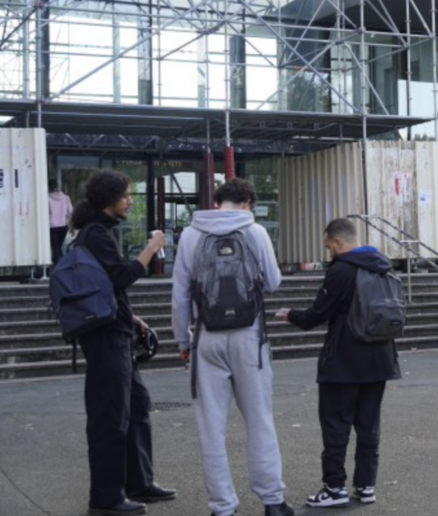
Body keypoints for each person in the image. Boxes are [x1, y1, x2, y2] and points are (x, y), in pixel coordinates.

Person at [171, 178, 294, 516]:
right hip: (249, 338)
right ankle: (273, 501)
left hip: (207, 338)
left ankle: (223, 506)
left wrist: (183, 341)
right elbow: (272, 281)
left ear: (218, 200)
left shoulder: (192, 234)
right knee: (260, 420)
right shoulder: (255, 231)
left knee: (211, 427)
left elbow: (180, 294)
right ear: (247, 203)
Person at [69, 170, 176, 516]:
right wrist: (151, 249)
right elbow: (123, 277)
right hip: (105, 339)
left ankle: (138, 482)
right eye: (127, 195)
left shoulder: (96, 234)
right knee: (109, 417)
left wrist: (132, 318)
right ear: (110, 199)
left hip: (116, 331)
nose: (131, 201)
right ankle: (106, 498)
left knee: (138, 406)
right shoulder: (96, 234)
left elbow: (105, 288)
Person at [276, 218, 401, 508]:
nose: (329, 252)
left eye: (330, 247)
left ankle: (334, 488)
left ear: (340, 243)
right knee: (369, 426)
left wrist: (289, 314)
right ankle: (366, 485)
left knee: (336, 426)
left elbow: (316, 315)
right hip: (381, 358)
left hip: (344, 361)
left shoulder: (342, 270)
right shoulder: (383, 265)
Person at [48, 179, 73, 265]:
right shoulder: (66, 198)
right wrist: (70, 224)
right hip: (63, 225)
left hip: (52, 226)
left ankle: (58, 265)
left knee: (55, 247)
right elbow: (70, 211)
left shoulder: (47, 198)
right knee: (59, 246)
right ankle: (62, 263)